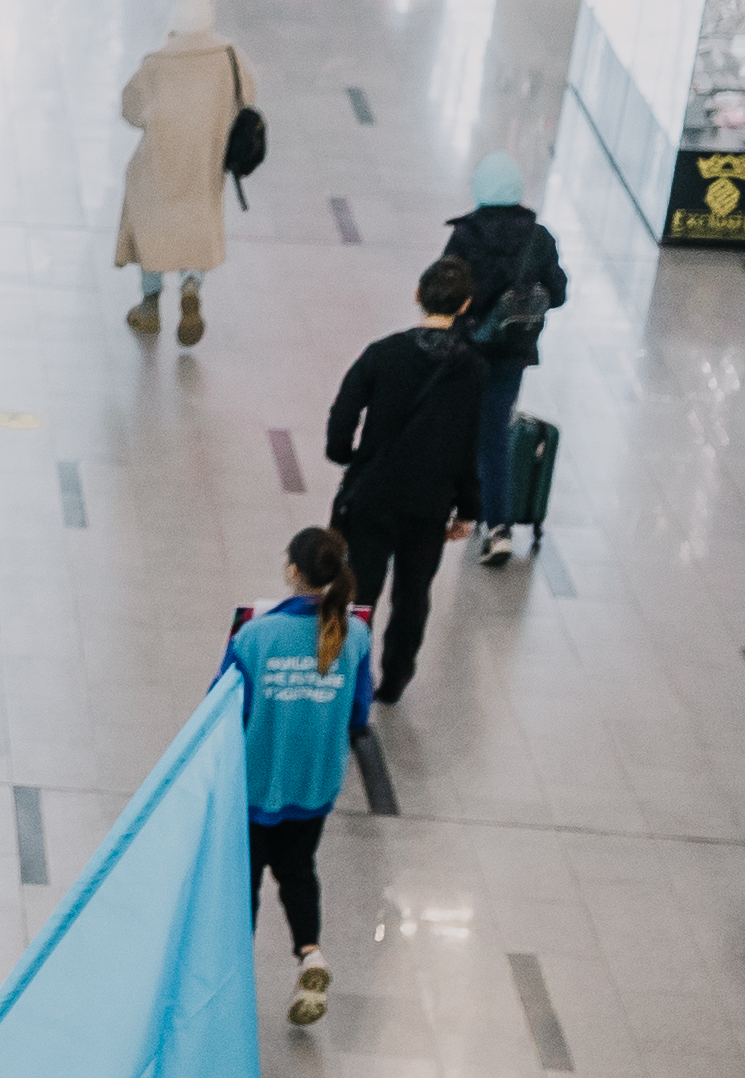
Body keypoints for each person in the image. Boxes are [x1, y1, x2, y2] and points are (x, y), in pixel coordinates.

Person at [226, 526, 373, 1029]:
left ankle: (231, 982)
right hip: (313, 786)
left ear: (293, 571)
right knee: (297, 870)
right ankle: (310, 954)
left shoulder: (255, 636)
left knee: (242, 881)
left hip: (254, 786)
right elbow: (358, 715)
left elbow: (220, 710)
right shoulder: (355, 634)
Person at [325, 259, 485, 707]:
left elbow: (344, 411)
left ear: (418, 295)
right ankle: (393, 680)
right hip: (429, 503)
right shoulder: (472, 369)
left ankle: (344, 677)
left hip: (373, 494)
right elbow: (470, 441)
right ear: (466, 305)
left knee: (358, 593)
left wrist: (344, 455)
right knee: (413, 595)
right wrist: (468, 509)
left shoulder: (383, 352)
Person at [441, 154, 567, 567]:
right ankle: (499, 529)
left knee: (457, 428)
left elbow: (446, 290)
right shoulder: (540, 237)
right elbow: (559, 293)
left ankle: (456, 512)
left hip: (468, 350)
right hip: (512, 353)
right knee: (495, 435)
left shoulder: (465, 236)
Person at [114, 0, 253, 346]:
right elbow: (248, 96)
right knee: (196, 222)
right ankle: (191, 288)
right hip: (205, 161)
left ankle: (149, 304)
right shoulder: (229, 55)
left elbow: (130, 110)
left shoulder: (158, 62)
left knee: (152, 226)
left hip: (159, 163)